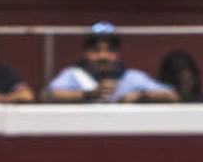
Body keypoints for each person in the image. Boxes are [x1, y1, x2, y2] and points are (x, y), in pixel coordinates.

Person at [44, 22, 179, 104]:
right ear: (85, 53)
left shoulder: (132, 77)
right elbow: (48, 95)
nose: (103, 56)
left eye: (110, 50)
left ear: (117, 54)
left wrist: (140, 96)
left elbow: (172, 96)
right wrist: (89, 94)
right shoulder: (73, 75)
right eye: (96, 50)